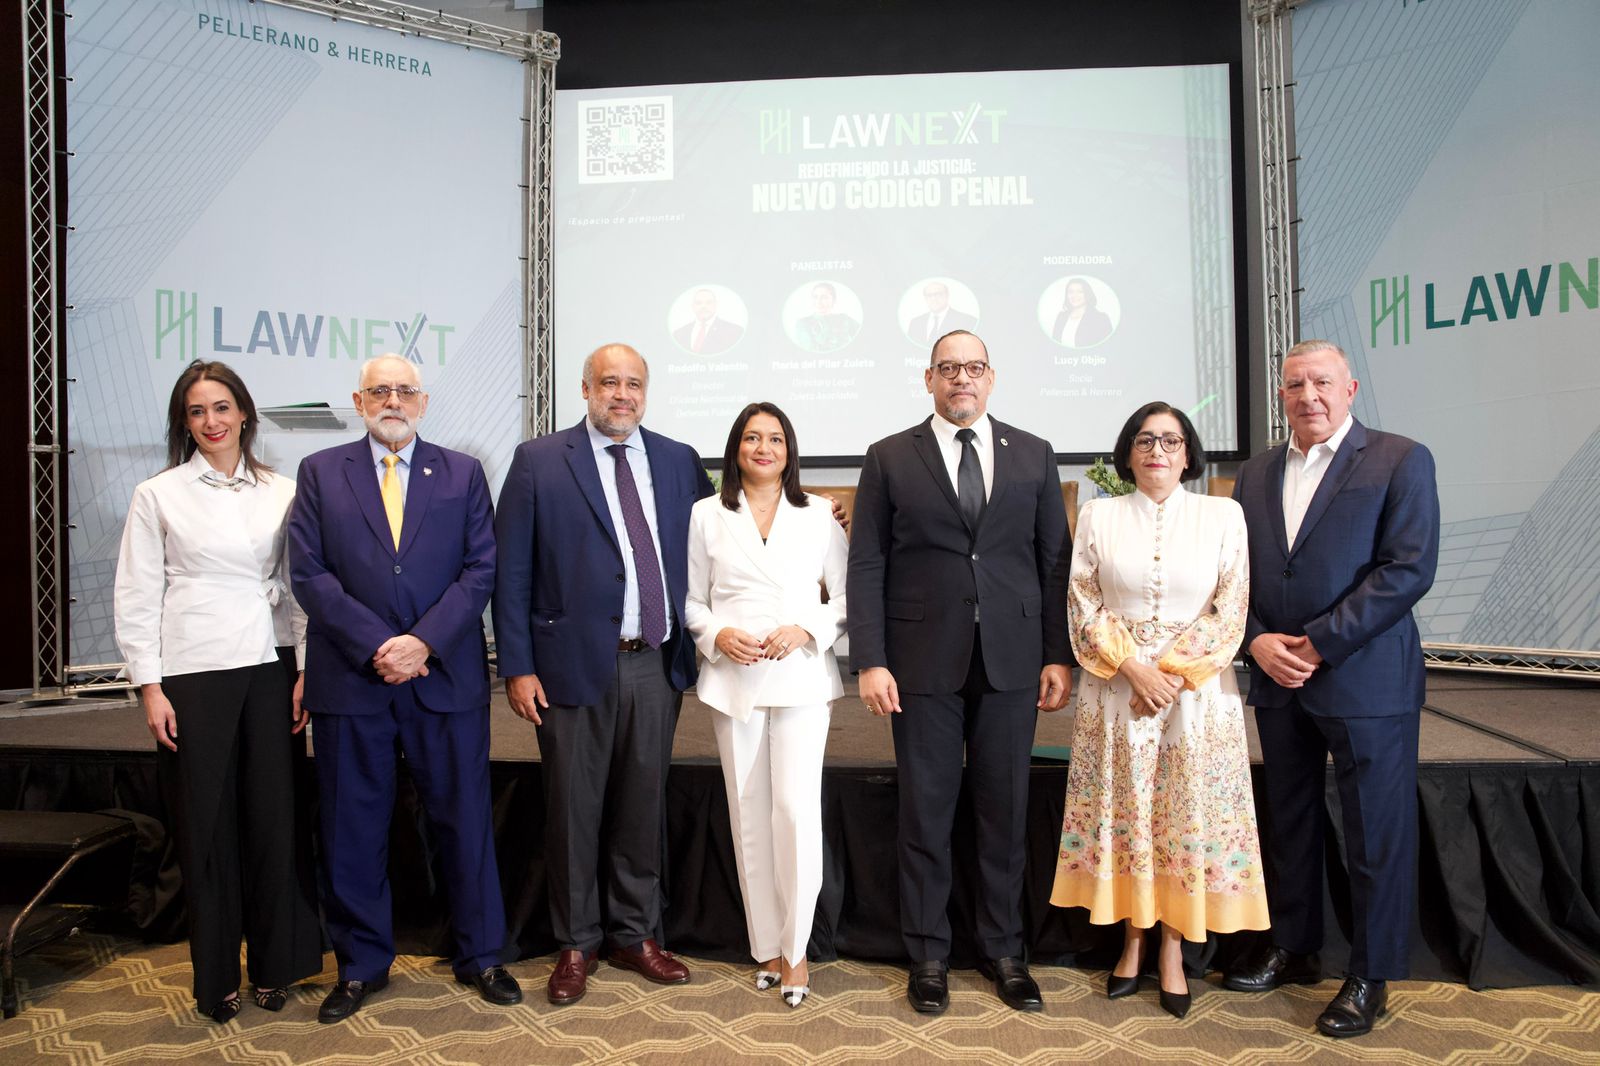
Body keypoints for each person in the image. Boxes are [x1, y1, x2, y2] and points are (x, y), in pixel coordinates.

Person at [288, 353, 519, 1022]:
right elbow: (310, 574)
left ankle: (482, 956)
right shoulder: (320, 473)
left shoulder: (463, 473)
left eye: (405, 391)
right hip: (352, 681)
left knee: (465, 821)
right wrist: (377, 646)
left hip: (442, 676)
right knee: (351, 828)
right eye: (379, 391)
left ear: (423, 403)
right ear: (358, 402)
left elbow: (481, 569)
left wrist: (422, 641)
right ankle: (360, 966)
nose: (393, 400)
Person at [848, 329, 1073, 1015]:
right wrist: (871, 660)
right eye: (949, 369)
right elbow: (867, 563)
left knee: (1003, 811)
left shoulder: (1033, 454)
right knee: (926, 810)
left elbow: (1053, 560)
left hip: (1012, 660)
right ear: (929, 380)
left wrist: (1057, 653)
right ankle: (928, 954)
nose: (961, 380)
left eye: (973, 368)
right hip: (920, 663)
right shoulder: (889, 457)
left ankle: (1004, 951)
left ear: (991, 377)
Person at [1224, 339, 1439, 1039]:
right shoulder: (1253, 476)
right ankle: (1294, 947)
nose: (1307, 395)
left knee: (1376, 831)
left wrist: (1318, 643)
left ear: (1350, 389)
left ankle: (1371, 975)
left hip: (1365, 679)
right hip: (1278, 678)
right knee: (1287, 820)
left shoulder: (1401, 459)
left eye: (1321, 382)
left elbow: (1406, 570)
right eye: (1294, 385)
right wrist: (1255, 639)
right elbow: (1235, 577)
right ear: (1280, 394)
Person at [492, 343, 714, 1006]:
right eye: (609, 383)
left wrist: (810, 515)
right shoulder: (539, 462)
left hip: (655, 664)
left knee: (641, 807)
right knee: (572, 807)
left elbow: (720, 538)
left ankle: (635, 932)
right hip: (567, 667)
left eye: (634, 384)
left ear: (647, 392)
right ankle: (576, 941)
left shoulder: (677, 461)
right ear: (585, 389)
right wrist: (518, 667)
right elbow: (512, 573)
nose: (623, 394)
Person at [114, 359, 321, 1023]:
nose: (211, 421)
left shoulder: (282, 490)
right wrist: (149, 685)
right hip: (192, 672)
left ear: (244, 414)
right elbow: (138, 593)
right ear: (184, 422)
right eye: (197, 411)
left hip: (270, 666)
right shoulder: (159, 493)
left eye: (222, 407)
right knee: (206, 830)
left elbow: (299, 589)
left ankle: (274, 965)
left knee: (273, 822)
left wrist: (305, 669)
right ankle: (215, 978)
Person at [1049, 402, 1266, 1020]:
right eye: (1145, 440)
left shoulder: (1224, 514)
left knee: (1183, 812)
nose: (1157, 451)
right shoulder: (1098, 514)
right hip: (1118, 689)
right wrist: (1133, 668)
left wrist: (1169, 675)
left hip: (1195, 697)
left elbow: (1232, 604)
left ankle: (1172, 947)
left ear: (1189, 453)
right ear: (1128, 452)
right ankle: (1131, 940)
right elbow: (1083, 600)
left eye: (1170, 441)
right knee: (1128, 810)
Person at [684, 402, 848, 1009]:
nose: (763, 447)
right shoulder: (706, 514)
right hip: (735, 682)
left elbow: (846, 598)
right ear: (736, 448)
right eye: (752, 437)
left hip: (802, 680)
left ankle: (799, 949)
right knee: (747, 814)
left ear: (790, 450)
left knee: (794, 811)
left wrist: (807, 629)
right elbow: (692, 601)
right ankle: (766, 948)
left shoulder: (819, 514)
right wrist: (715, 637)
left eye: (775, 438)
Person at [672, 288, 745, 355]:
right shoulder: (679, 333)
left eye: (709, 302)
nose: (703, 306)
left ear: (715, 305)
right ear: (693, 306)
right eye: (698, 303)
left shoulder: (734, 331)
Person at [792, 281, 860, 352]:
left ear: (834, 300)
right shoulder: (803, 323)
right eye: (815, 297)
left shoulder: (845, 319)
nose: (818, 301)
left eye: (824, 297)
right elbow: (811, 348)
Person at [905, 280, 978, 344]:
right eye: (929, 295)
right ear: (925, 298)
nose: (933, 299)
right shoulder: (915, 323)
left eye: (938, 294)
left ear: (947, 295)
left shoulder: (967, 320)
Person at [1051, 278, 1113, 348]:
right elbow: (1054, 346)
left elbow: (1109, 347)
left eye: (1080, 291)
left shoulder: (1101, 318)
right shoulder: (1061, 317)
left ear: (1087, 294)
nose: (1074, 295)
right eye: (1071, 292)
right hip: (1063, 358)